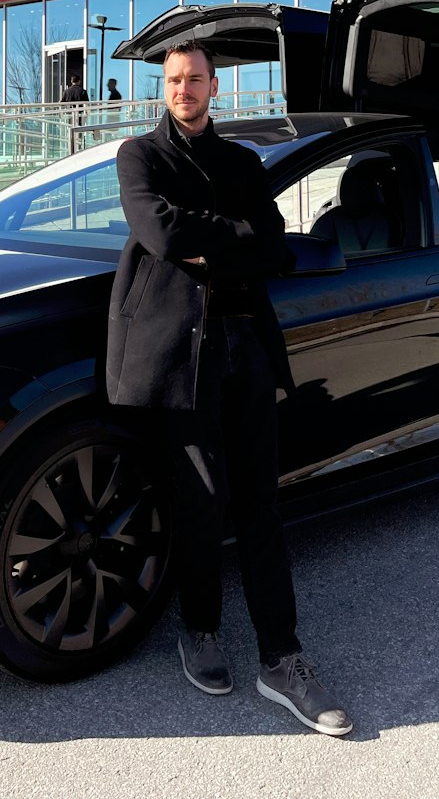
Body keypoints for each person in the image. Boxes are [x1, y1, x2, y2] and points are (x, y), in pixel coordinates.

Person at [106, 40, 353, 737]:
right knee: (199, 500)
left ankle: (283, 658)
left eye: (195, 78)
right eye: (173, 80)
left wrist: (212, 240)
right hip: (182, 352)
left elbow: (275, 247)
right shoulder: (140, 157)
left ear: (216, 85)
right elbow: (157, 229)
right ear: (164, 89)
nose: (184, 88)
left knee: (260, 504)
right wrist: (236, 235)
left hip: (246, 344)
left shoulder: (243, 162)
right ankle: (201, 627)